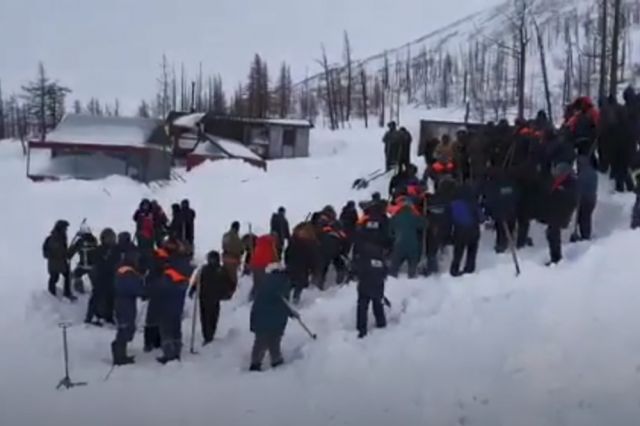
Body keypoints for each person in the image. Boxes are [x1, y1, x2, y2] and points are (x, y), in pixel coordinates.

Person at [249, 262, 295, 371]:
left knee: (260, 341)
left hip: (260, 315)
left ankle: (256, 362)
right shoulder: (283, 282)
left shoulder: (266, 281)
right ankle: (276, 360)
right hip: (275, 318)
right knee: (274, 340)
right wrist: (291, 313)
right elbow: (283, 301)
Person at [190, 251, 237, 345]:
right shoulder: (205, 269)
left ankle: (209, 335)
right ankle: (207, 336)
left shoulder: (221, 270)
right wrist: (193, 289)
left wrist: (228, 292)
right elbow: (198, 280)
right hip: (204, 297)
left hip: (213, 297)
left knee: (212, 317)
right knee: (205, 317)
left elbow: (229, 283)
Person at [111, 251, 145, 366]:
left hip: (127, 302)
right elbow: (130, 287)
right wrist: (143, 292)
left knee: (127, 327)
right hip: (124, 303)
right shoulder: (127, 271)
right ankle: (118, 356)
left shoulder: (125, 269)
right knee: (125, 328)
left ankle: (122, 354)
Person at [542, 162, 578, 265]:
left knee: (553, 233)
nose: (556, 174)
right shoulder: (558, 182)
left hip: (562, 212)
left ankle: (556, 258)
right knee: (551, 234)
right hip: (555, 211)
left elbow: (571, 199)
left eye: (559, 172)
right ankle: (555, 257)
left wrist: (559, 193)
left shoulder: (570, 183)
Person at [157, 260, 192, 364]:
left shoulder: (167, 276)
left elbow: (161, 291)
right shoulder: (182, 278)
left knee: (166, 332)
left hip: (166, 308)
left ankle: (168, 355)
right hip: (177, 308)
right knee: (176, 330)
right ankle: (177, 352)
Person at [353, 236, 388, 339]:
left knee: (362, 306)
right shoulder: (380, 257)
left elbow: (356, 270)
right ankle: (381, 324)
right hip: (378, 284)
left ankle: (361, 329)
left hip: (365, 284)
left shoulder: (363, 257)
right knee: (378, 304)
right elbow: (385, 271)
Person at [86, 228, 119, 326]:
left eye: (113, 237)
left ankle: (109, 317)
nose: (112, 239)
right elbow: (94, 260)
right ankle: (90, 317)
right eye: (109, 238)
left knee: (111, 298)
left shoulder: (116, 249)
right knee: (96, 297)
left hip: (112, 277)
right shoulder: (99, 249)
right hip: (100, 277)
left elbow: (117, 260)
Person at [449, 183, 481, 276]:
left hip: (459, 231)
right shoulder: (473, 203)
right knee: (472, 249)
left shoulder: (453, 204)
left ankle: (454, 269)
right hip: (473, 230)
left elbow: (449, 219)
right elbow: (481, 218)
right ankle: (469, 268)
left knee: (458, 251)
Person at [388, 198, 424, 278]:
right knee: (412, 268)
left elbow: (390, 232)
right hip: (413, 246)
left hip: (399, 244)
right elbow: (424, 224)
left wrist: (394, 237)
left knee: (394, 268)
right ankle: (412, 279)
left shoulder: (395, 217)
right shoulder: (414, 217)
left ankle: (392, 282)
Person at [43, 220, 76, 300]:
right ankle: (64, 294)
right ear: (60, 228)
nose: (66, 230)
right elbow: (64, 254)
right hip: (58, 264)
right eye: (65, 228)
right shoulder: (57, 239)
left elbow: (46, 253)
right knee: (62, 276)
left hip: (55, 264)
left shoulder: (53, 238)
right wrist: (74, 248)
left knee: (55, 277)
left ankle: (52, 295)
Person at [69, 223, 98, 295]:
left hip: (82, 265)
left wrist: (69, 253)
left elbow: (71, 252)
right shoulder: (94, 240)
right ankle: (97, 291)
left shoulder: (80, 241)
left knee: (75, 275)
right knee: (95, 281)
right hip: (93, 266)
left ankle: (79, 291)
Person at [574, 155, 598, 241]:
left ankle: (585, 236)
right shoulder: (593, 173)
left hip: (584, 199)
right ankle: (585, 234)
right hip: (592, 199)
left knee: (583, 218)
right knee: (587, 217)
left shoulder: (582, 175)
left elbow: (579, 187)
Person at [249, 233, 279, 300]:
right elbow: (273, 256)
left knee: (256, 281)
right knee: (260, 282)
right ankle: (255, 297)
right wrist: (277, 263)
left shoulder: (261, 241)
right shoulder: (270, 244)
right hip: (261, 265)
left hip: (254, 263)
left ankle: (252, 296)